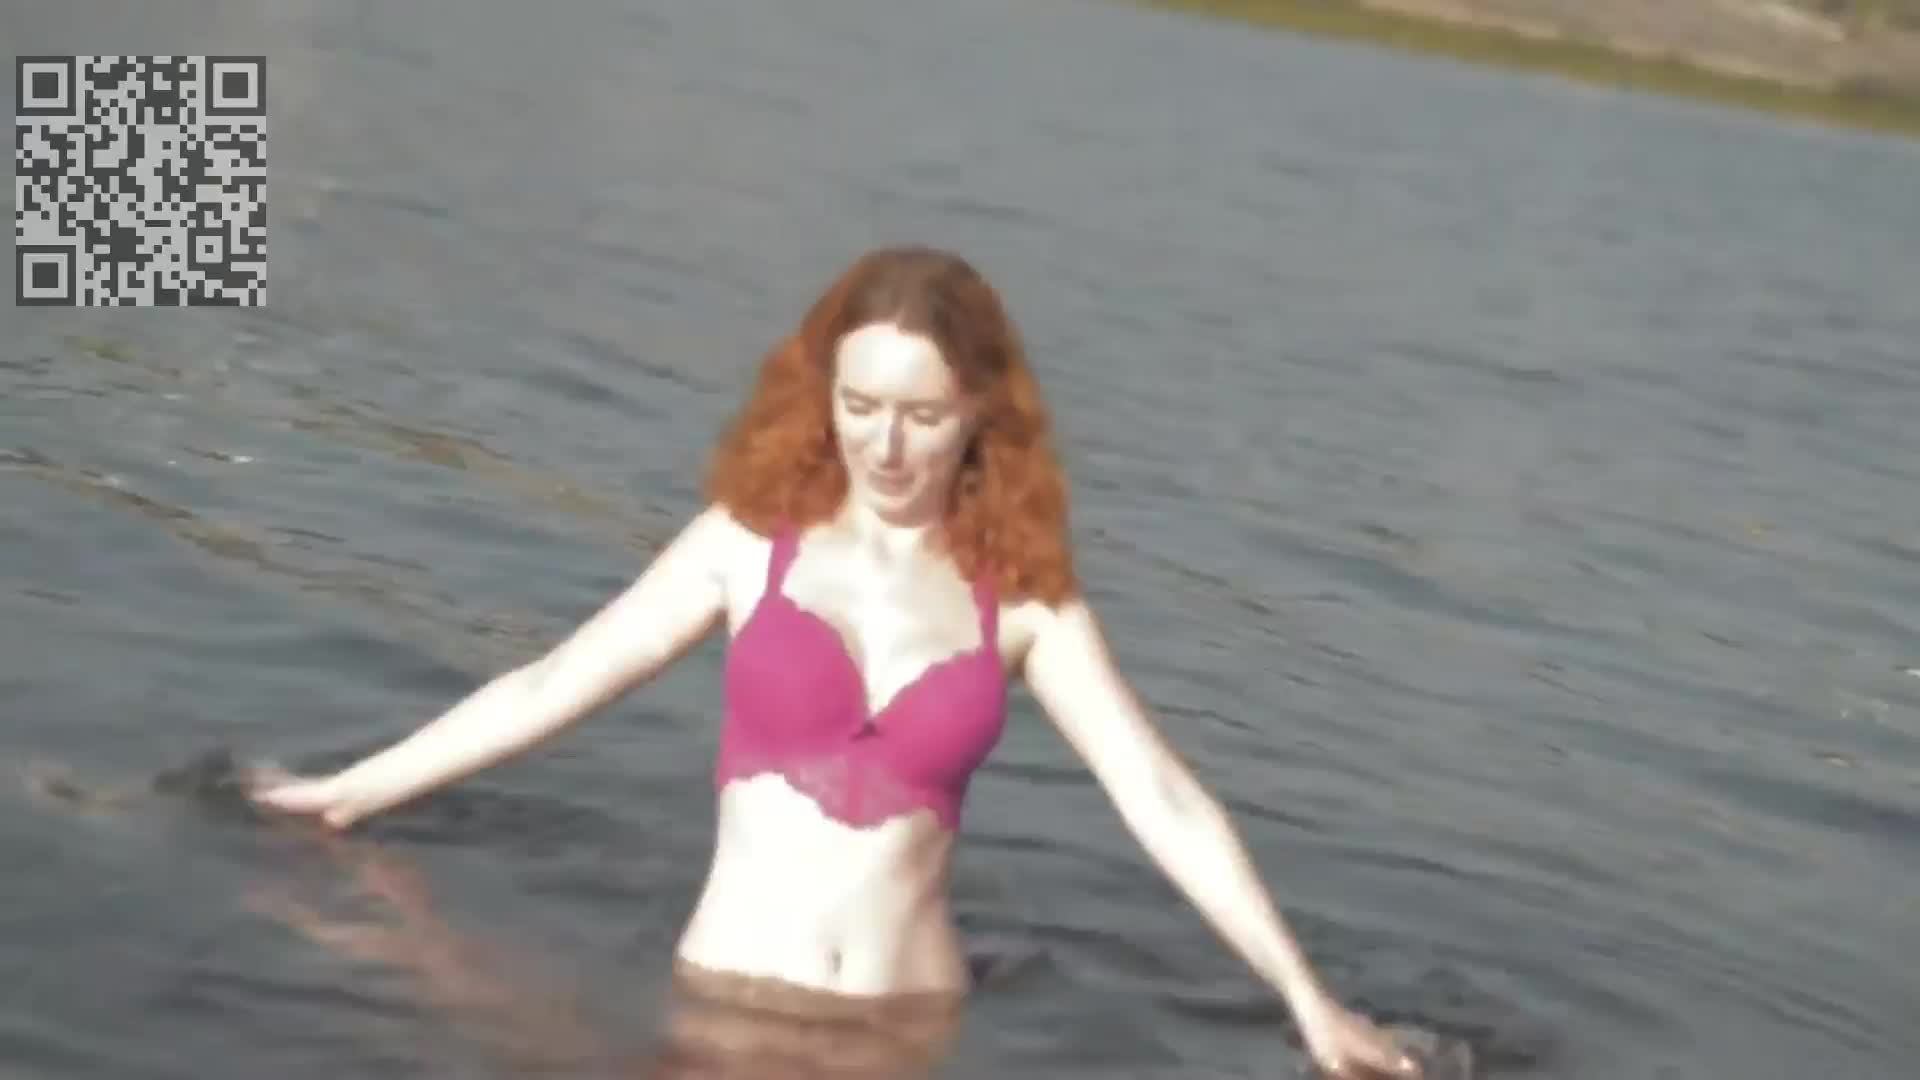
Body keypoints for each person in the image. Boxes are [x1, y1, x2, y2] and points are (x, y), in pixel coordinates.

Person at [247, 244, 1426, 1079]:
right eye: (860, 405)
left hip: (902, 1030)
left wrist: (1306, 997)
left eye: (923, 414)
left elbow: (1159, 794)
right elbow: (553, 684)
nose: (886, 444)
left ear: (980, 413)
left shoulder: (1025, 601)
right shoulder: (744, 547)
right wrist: (349, 791)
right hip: (723, 1013)